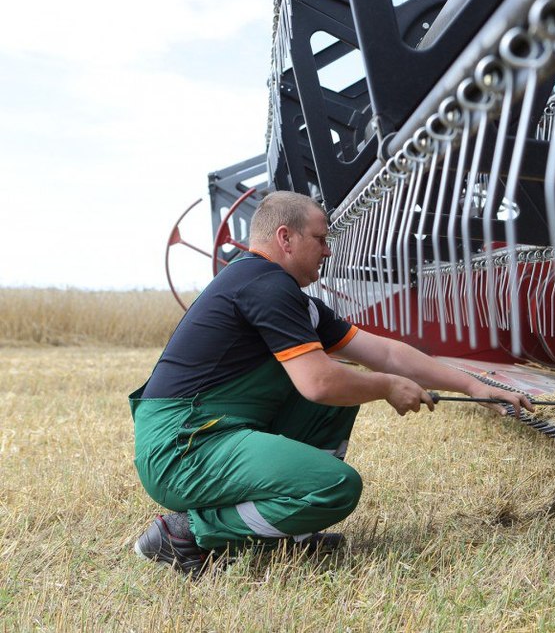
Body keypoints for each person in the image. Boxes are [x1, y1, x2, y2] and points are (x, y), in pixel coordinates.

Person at [130, 190, 533, 573]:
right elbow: (319, 382)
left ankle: (293, 529)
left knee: (340, 397)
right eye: (320, 239)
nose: (328, 250)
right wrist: (387, 387)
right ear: (285, 238)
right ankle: (188, 534)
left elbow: (386, 353)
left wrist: (474, 386)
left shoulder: (285, 295)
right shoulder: (265, 286)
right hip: (183, 446)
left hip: (212, 430)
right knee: (335, 488)